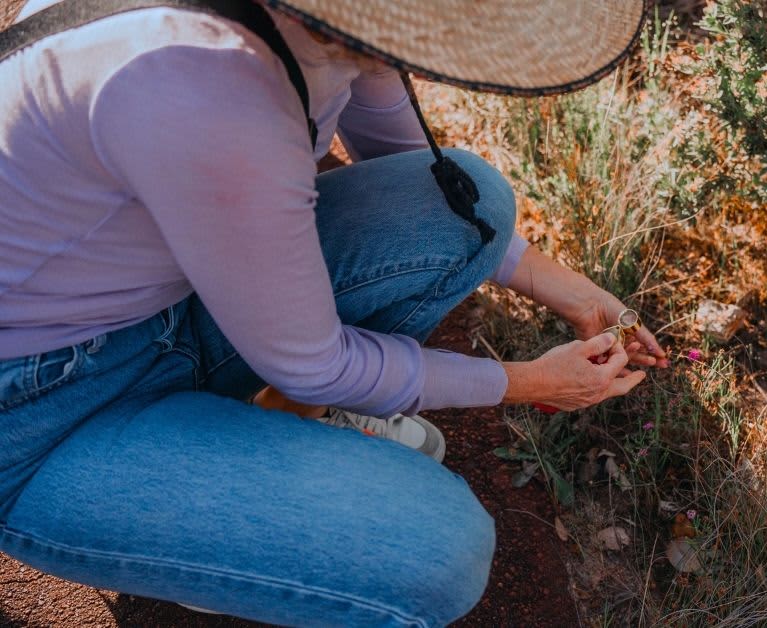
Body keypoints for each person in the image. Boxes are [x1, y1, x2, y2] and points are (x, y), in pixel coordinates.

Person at [0, 0, 663, 624]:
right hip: (40, 417)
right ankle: (214, 548)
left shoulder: (328, 29)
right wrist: (531, 382)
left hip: (160, 297)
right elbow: (316, 364)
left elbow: (426, 178)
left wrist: (573, 291)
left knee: (474, 203)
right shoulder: (214, 97)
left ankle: (256, 460)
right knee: (437, 555)